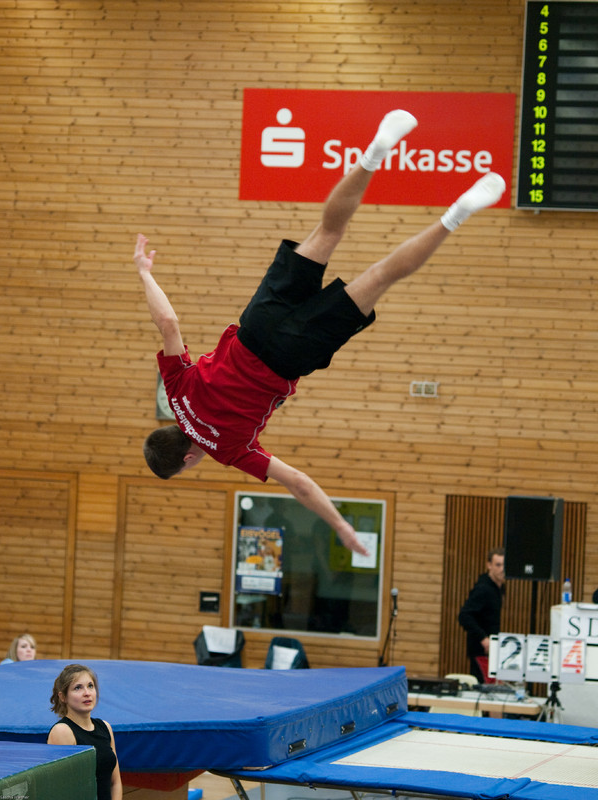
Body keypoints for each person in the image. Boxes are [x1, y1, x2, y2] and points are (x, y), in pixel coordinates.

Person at [135, 109, 506, 555]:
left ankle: (456, 214)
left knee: (381, 274)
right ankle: (373, 154)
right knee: (329, 230)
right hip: (257, 323)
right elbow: (168, 323)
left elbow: (299, 483)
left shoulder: (228, 451)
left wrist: (341, 526)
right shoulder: (176, 392)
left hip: (290, 355)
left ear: (187, 458)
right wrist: (145, 273)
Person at [47, 663, 122, 800]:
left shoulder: (105, 727)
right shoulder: (62, 731)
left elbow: (115, 782)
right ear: (63, 697)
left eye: (90, 686)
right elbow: (60, 790)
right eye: (78, 688)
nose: (87, 693)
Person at [458, 547, 505, 683]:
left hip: (490, 649)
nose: (502, 569)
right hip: (480, 650)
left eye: (504, 565)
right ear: (489, 565)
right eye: (498, 565)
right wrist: (483, 638)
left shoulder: (498, 588)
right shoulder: (483, 589)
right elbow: (464, 615)